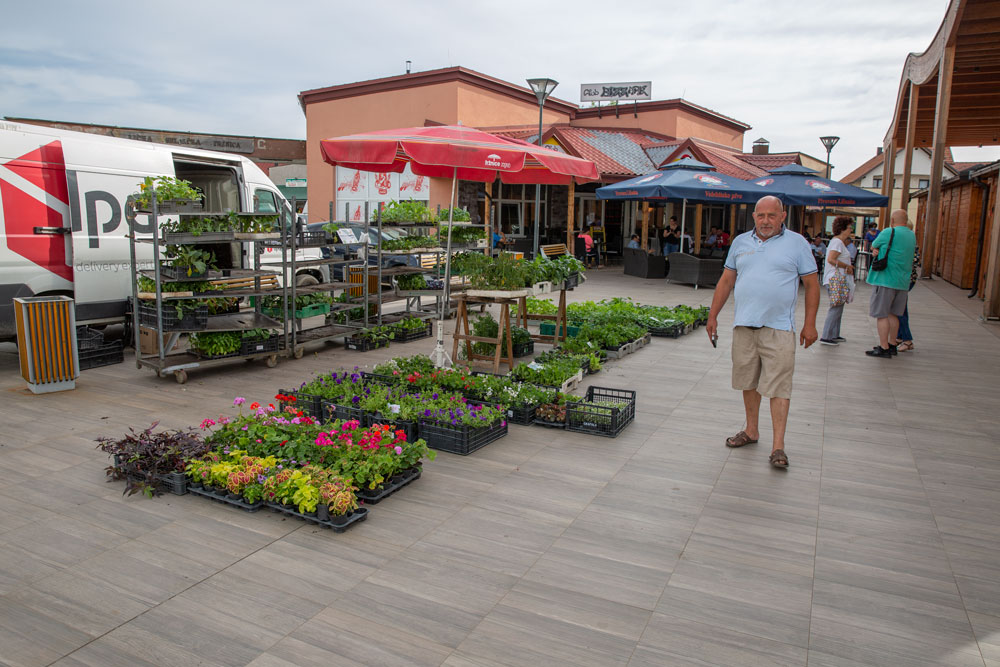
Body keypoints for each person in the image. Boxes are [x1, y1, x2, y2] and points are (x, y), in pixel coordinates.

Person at [706, 195, 820, 469]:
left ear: (782, 216)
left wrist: (810, 323)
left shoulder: (797, 243)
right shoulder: (740, 242)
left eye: (771, 215)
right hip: (744, 325)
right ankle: (751, 430)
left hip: (779, 328)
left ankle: (778, 446)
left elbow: (812, 284)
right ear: (754, 217)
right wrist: (712, 315)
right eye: (761, 215)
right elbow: (727, 280)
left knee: (779, 387)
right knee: (748, 381)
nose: (766, 221)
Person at [866, 209, 917, 358]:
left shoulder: (889, 232)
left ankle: (884, 347)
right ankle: (892, 344)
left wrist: (875, 250)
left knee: (881, 315)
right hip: (902, 281)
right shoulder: (912, 235)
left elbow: (874, 245)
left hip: (885, 279)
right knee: (894, 314)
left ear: (892, 221)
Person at [819, 217, 855, 345]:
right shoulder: (837, 243)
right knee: (836, 306)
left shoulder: (838, 242)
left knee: (838, 306)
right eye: (850, 227)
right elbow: (831, 259)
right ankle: (827, 335)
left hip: (837, 278)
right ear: (843, 228)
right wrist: (847, 266)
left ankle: (834, 333)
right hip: (835, 278)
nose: (851, 230)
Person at [896, 243, 921, 351]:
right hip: (904, 279)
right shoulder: (909, 242)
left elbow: (913, 261)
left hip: (904, 280)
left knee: (900, 309)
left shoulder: (909, 244)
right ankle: (900, 336)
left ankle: (907, 340)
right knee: (899, 309)